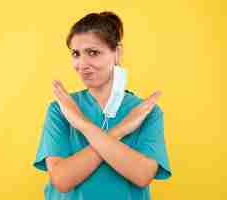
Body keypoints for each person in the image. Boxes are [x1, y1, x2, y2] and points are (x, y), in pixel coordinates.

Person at [33, 11, 172, 200]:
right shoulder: (61, 109)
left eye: (93, 53)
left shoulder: (146, 112)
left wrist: (82, 125)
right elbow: (62, 179)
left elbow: (142, 175)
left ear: (117, 53)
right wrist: (120, 130)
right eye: (76, 54)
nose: (82, 64)